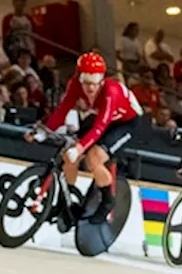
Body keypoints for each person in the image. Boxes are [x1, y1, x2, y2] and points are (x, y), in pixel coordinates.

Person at [26, 52, 142, 222]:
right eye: (86, 83)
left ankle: (108, 202)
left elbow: (100, 127)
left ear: (102, 80)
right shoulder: (75, 84)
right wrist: (45, 131)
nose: (91, 89)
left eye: (95, 83)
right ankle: (65, 200)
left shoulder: (111, 92)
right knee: (69, 156)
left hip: (126, 123)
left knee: (93, 158)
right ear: (80, 78)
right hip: (102, 118)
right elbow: (62, 110)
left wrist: (80, 148)